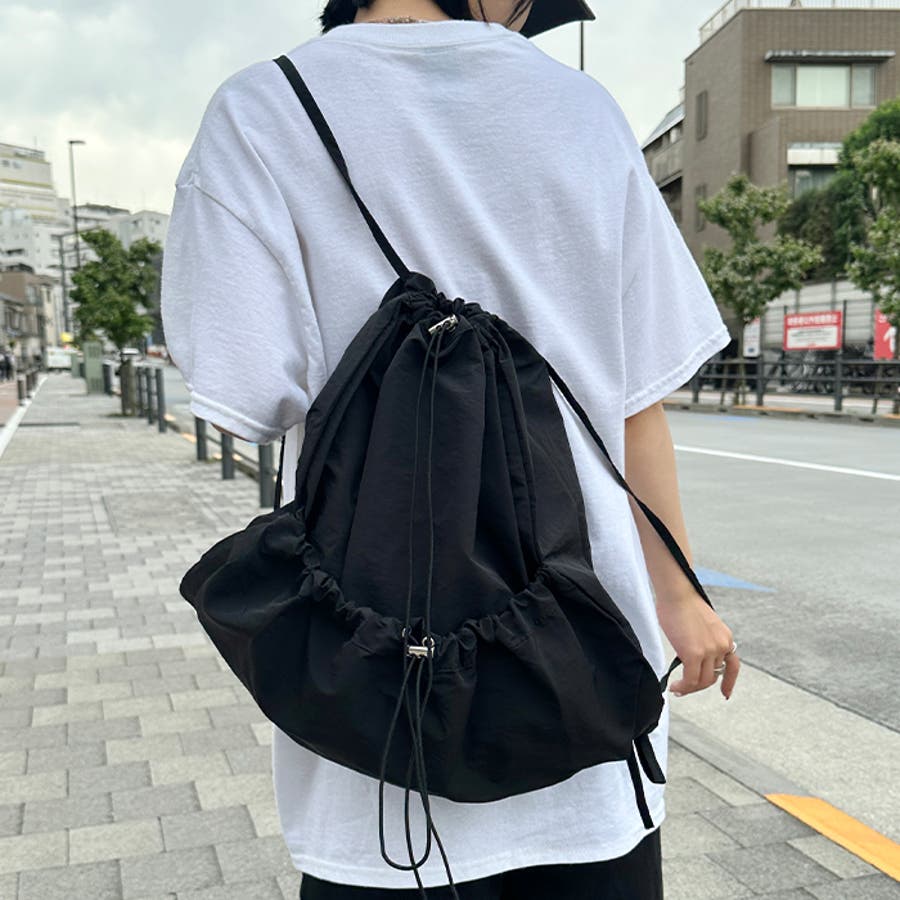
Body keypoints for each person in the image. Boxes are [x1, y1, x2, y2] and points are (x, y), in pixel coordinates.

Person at [160, 1, 741, 897]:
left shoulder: (261, 110)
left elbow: (251, 392)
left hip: (375, 705)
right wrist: (680, 596)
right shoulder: (582, 110)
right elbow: (635, 403)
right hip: (583, 672)